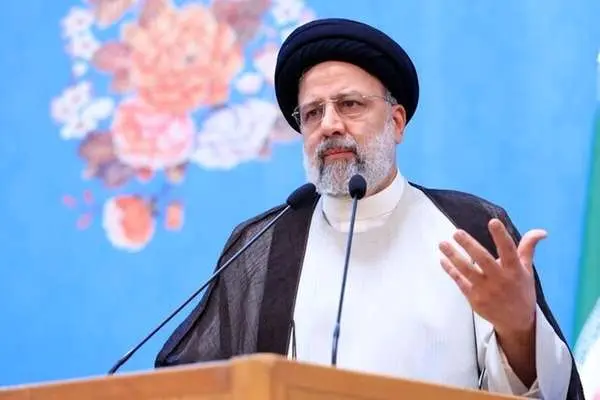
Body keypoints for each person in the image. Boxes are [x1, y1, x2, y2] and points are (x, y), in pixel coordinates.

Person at [155, 18, 584, 399]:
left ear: (396, 122)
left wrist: (519, 330)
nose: (329, 125)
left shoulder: (469, 227)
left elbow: (539, 391)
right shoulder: (264, 244)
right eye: (313, 113)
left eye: (350, 105)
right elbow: (198, 381)